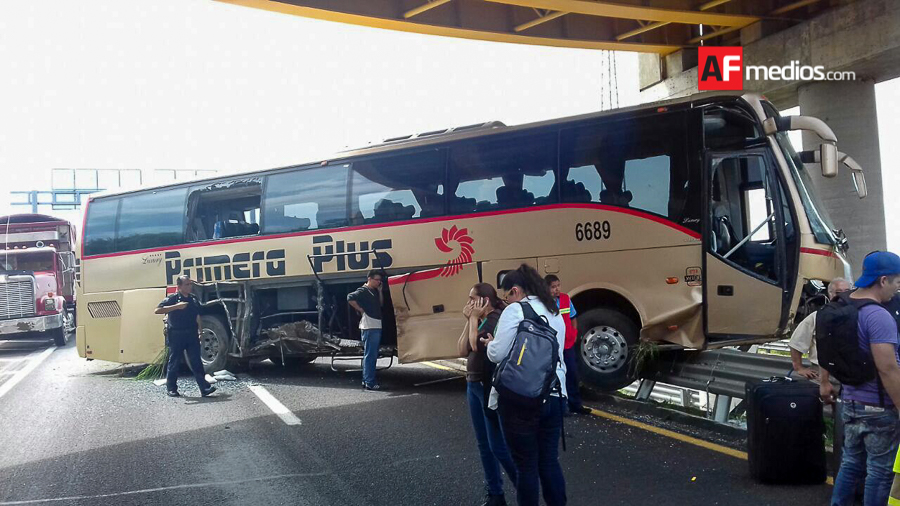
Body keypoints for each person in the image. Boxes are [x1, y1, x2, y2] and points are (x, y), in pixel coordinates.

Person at [821, 251, 900, 506]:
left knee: (852, 463)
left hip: (850, 401)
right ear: (883, 280)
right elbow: (888, 368)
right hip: (878, 408)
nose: (897, 289)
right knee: (879, 471)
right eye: (897, 282)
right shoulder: (878, 316)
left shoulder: (844, 306)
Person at [485, 264, 567, 506]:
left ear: (516, 290)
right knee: (549, 462)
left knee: (526, 466)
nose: (506, 300)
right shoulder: (554, 311)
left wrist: (489, 343)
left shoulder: (516, 310)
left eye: (506, 294)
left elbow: (497, 354)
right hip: (554, 394)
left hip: (522, 399)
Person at [457, 283, 517, 506]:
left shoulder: (494, 319)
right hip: (473, 383)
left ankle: (524, 488)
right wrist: (469, 320)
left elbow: (475, 345)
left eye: (472, 298)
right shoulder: (480, 318)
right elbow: (461, 349)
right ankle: (495, 493)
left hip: (486, 385)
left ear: (485, 300)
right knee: (484, 444)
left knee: (497, 446)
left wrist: (473, 319)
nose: (469, 302)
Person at [155, 275, 216, 398]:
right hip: (176, 334)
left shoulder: (193, 299)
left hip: (191, 334)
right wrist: (176, 307)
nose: (190, 287)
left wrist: (200, 332)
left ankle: (204, 388)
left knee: (196, 362)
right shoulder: (173, 298)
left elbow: (197, 316)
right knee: (174, 361)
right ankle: (171, 388)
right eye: (187, 284)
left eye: (190, 284)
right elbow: (157, 310)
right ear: (179, 286)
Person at [789, 278, 852, 380]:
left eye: (847, 292)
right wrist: (799, 368)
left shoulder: (858, 315)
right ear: (830, 294)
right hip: (822, 374)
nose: (843, 296)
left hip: (850, 374)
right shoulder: (817, 316)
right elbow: (796, 343)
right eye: (838, 292)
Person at [545, 274, 590, 415]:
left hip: (567, 344)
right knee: (556, 375)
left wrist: (574, 332)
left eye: (558, 285)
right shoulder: (544, 303)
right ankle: (561, 407)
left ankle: (575, 405)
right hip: (553, 345)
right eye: (553, 287)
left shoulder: (565, 299)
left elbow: (572, 317)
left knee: (572, 373)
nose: (557, 289)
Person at [348, 270, 384, 391]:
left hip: (375, 325)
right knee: (370, 355)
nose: (379, 282)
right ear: (369, 279)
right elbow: (350, 297)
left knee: (370, 355)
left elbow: (381, 304)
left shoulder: (373, 291)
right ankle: (370, 382)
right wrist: (361, 310)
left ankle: (367, 380)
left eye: (380, 280)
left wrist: (379, 292)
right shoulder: (363, 290)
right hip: (369, 326)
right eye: (377, 280)